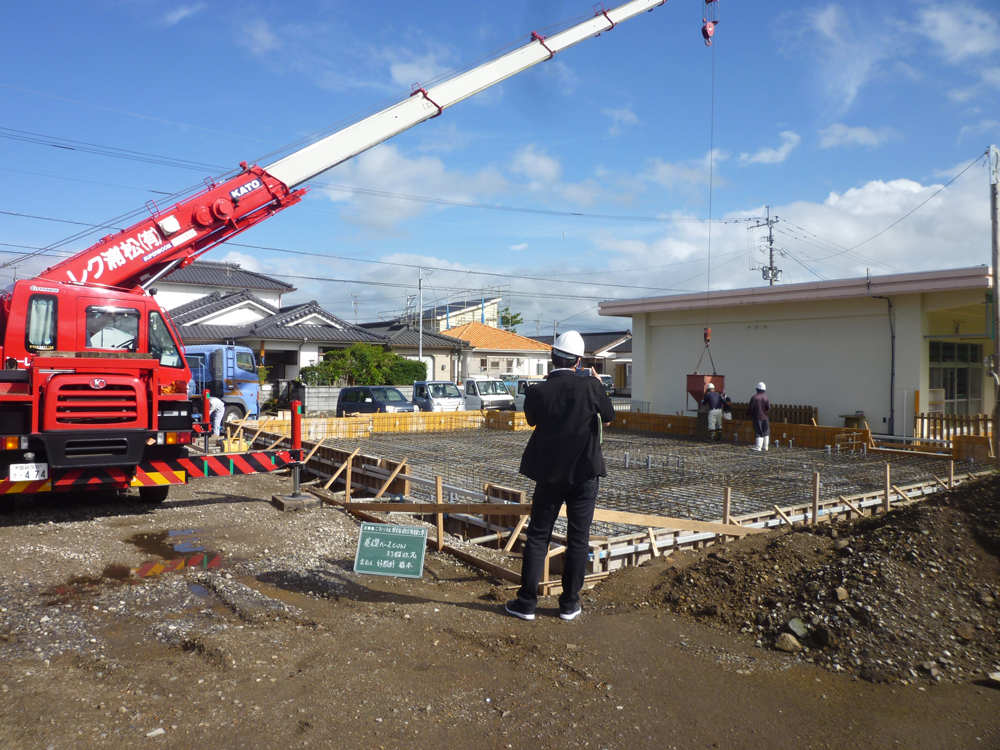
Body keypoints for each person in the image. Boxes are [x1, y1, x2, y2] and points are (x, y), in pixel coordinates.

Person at [506, 330, 616, 622]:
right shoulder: (591, 386)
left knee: (538, 535)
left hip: (549, 474)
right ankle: (569, 604)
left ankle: (526, 603)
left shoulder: (538, 391)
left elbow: (532, 419)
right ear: (579, 361)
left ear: (552, 357)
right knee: (578, 538)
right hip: (585, 474)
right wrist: (595, 383)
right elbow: (609, 417)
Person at [748, 382, 770, 452]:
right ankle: (765, 447)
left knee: (758, 431)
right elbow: (768, 408)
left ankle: (758, 447)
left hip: (757, 417)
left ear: (757, 389)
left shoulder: (754, 397)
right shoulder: (766, 398)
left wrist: (748, 414)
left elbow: (751, 408)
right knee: (766, 432)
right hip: (765, 418)